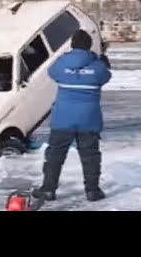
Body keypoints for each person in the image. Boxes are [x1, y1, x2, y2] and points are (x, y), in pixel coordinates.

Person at [33, 30, 112, 202]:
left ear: (72, 45)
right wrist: (102, 61)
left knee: (55, 155)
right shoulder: (97, 66)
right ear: (89, 45)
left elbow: (52, 72)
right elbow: (106, 76)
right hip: (88, 119)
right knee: (90, 156)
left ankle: (48, 189)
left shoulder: (61, 63)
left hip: (63, 118)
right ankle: (92, 191)